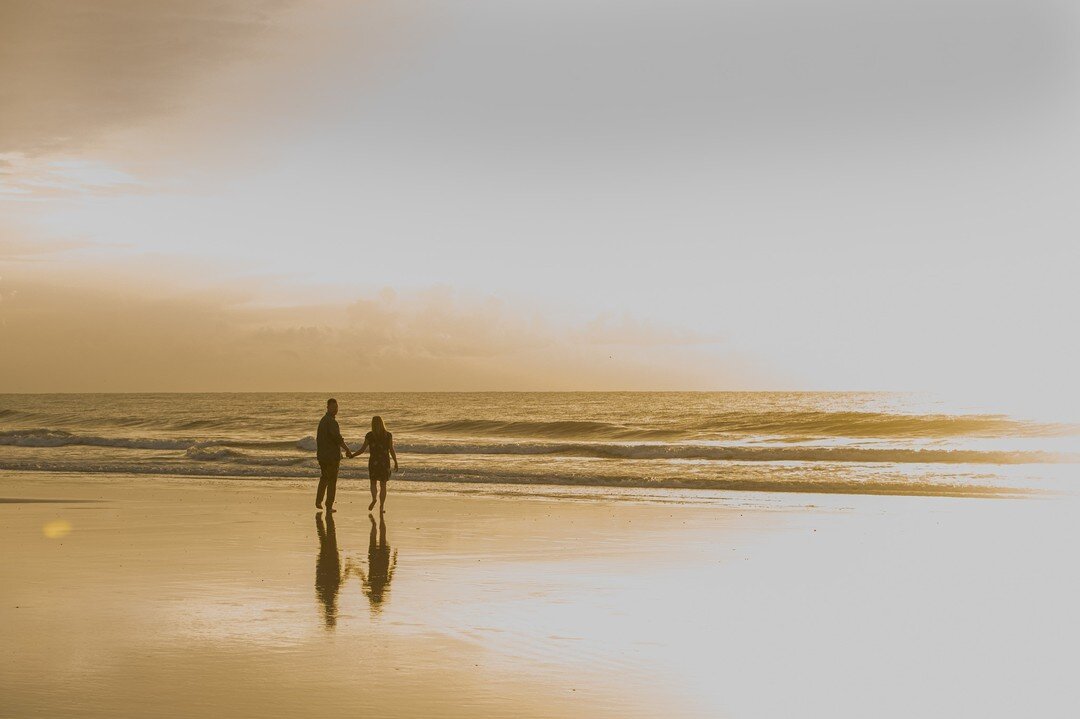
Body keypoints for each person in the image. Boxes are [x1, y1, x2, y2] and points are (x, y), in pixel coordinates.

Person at [351, 415, 398, 512]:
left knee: (373, 482)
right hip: (384, 462)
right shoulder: (388, 435)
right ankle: (381, 507)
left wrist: (353, 455)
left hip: (374, 462)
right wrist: (395, 461)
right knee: (383, 485)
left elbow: (362, 450)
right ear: (382, 423)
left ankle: (374, 499)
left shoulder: (369, 435)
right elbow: (391, 450)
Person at [315, 398, 352, 512]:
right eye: (333, 407)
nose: (336, 409)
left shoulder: (323, 420)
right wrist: (347, 449)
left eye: (337, 407)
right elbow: (338, 439)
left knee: (324, 478)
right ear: (328, 407)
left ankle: (318, 501)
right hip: (331, 457)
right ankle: (329, 505)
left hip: (322, 455)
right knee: (331, 481)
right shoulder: (331, 422)